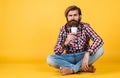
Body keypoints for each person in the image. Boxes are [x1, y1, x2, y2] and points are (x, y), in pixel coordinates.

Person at [47, 5, 104, 75]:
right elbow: (57, 51)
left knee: (101, 49)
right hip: (69, 57)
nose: (72, 18)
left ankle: (71, 69)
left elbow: (99, 40)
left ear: (80, 16)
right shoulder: (63, 29)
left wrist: (87, 53)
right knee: (50, 59)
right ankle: (82, 68)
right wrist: (65, 42)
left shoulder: (85, 27)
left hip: (83, 56)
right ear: (67, 17)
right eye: (70, 15)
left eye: (75, 15)